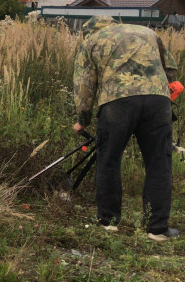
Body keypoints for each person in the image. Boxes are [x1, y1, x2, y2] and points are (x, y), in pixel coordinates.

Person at [72, 15, 179, 241]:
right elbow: (170, 69)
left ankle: (108, 221)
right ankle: (157, 229)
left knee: (109, 159)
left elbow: (84, 85)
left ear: (90, 30)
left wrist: (83, 119)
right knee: (159, 162)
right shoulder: (147, 32)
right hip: (158, 101)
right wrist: (153, 85)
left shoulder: (91, 41)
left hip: (116, 103)